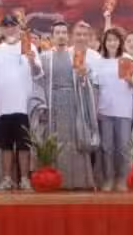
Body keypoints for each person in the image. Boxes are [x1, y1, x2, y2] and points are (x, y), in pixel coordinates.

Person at [34, 21, 98, 190]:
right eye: (58, 32)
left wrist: (83, 76)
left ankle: (77, 181)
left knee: (74, 140)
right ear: (52, 36)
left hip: (72, 101)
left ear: (67, 36)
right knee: (54, 140)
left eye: (64, 32)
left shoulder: (75, 54)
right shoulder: (45, 57)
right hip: (52, 103)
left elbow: (83, 81)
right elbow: (39, 81)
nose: (61, 35)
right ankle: (54, 180)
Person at [0, 15, 41, 191]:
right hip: (2, 106)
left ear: (18, 27)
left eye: (13, 25)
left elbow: (38, 73)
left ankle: (24, 179)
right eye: (6, 26)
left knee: (23, 145)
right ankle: (7, 178)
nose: (10, 29)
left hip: (23, 105)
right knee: (5, 145)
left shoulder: (29, 46)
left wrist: (32, 61)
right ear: (2, 29)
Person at [92, 27, 133, 192]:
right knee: (106, 147)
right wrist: (95, 108)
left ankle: (122, 179)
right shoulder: (99, 61)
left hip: (124, 110)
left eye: (115, 40)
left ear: (120, 42)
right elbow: (95, 86)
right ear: (104, 43)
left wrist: (130, 80)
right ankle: (108, 179)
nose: (112, 43)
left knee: (123, 148)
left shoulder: (127, 59)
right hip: (104, 110)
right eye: (109, 40)